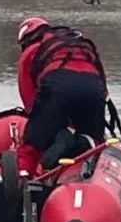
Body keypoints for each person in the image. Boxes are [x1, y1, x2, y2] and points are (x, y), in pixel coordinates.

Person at [16, 17, 110, 177]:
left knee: (31, 146)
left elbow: (29, 98)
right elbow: (102, 82)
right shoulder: (77, 43)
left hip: (57, 86)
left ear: (25, 39)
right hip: (93, 88)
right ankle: (86, 149)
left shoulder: (31, 52)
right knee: (96, 139)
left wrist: (40, 127)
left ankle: (23, 182)